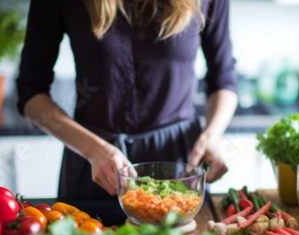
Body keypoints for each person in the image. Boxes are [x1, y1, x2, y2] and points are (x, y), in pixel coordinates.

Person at [16, 0, 238, 202]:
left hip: (179, 166)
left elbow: (224, 80)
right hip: (94, 164)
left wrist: (212, 136)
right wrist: (94, 149)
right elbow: (31, 94)